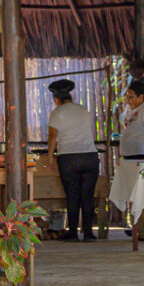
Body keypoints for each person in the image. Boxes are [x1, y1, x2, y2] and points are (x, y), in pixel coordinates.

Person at [44, 79, 98, 241]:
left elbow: (53, 136)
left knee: (72, 196)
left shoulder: (57, 112)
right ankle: (88, 233)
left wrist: (50, 156)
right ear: (70, 97)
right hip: (90, 156)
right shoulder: (83, 110)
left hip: (69, 158)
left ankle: (73, 232)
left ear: (56, 99)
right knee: (87, 196)